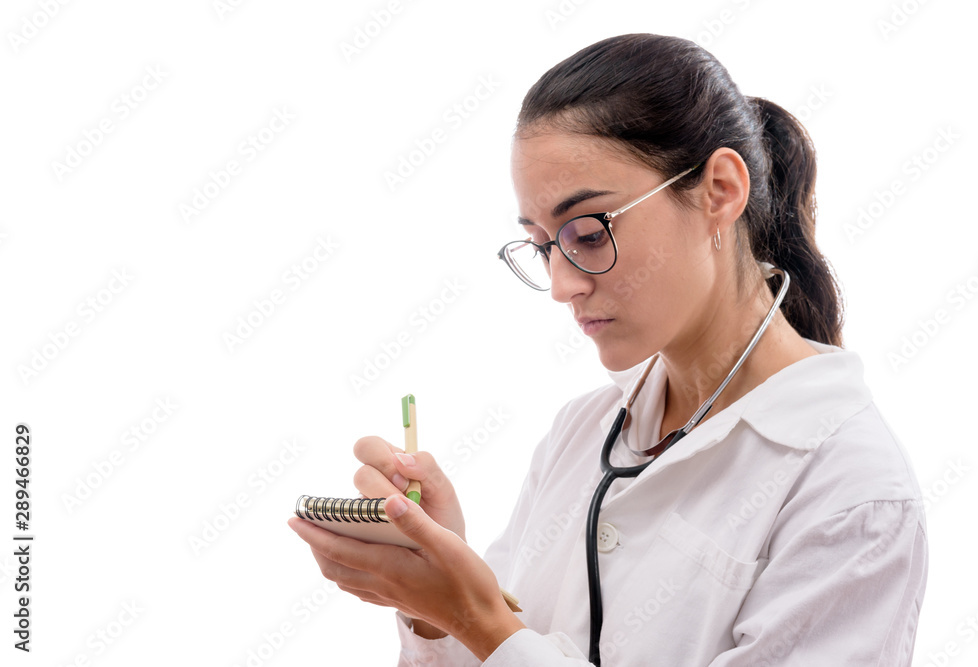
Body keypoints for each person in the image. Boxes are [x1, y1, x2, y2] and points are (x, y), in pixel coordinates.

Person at [287, 33, 928, 665]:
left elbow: (501, 640)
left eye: (589, 233)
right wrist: (438, 597)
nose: (562, 285)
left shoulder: (854, 493)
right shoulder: (580, 433)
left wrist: (475, 619)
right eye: (542, 246)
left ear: (720, 191)